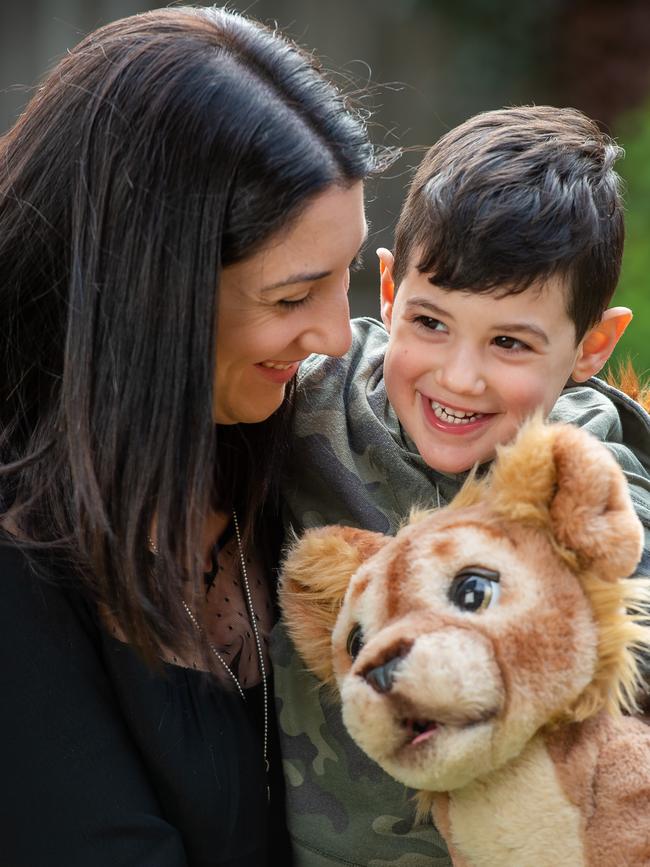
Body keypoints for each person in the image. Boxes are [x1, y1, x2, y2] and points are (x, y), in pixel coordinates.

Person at [0, 6, 380, 866]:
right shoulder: (22, 559)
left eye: (347, 270)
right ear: (147, 298)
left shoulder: (302, 435)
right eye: (292, 297)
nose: (337, 334)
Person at [272, 106, 650, 866]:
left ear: (593, 346)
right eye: (432, 323)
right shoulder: (308, 408)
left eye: (509, 341)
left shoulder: (584, 473)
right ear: (387, 289)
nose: (459, 376)